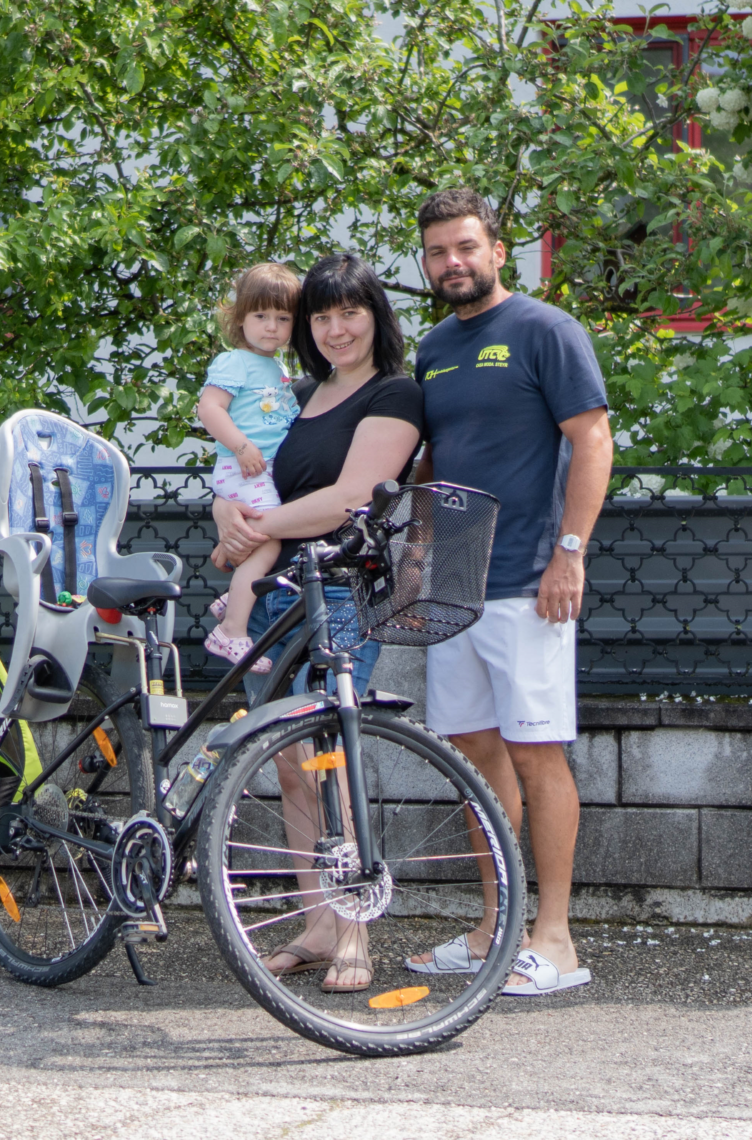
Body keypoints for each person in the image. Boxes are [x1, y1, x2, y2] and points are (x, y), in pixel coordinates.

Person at [404, 187, 613, 996]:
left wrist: (572, 553)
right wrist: (419, 552)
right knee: (474, 756)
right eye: (436, 252)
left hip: (529, 581)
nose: (451, 263)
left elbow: (592, 439)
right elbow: (434, 459)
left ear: (498, 249)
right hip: (455, 582)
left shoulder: (545, 331)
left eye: (465, 247)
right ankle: (496, 927)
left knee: (536, 752)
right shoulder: (431, 348)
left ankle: (554, 940)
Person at [210, 252, 423, 992]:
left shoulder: (396, 394)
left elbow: (353, 495)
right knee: (288, 766)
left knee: (331, 754)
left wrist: (259, 519)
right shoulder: (293, 394)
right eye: (322, 316)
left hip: (338, 592)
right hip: (272, 591)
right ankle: (316, 922)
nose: (335, 329)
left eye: (350, 312)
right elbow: (243, 468)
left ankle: (356, 926)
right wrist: (231, 520)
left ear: (375, 316)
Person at [197, 263, 302, 671]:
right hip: (245, 468)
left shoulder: (277, 367)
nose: (271, 327)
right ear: (240, 318)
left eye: (282, 318)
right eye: (261, 316)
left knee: (261, 539)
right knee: (271, 539)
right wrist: (241, 446)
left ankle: (235, 596)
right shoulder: (234, 361)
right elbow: (209, 408)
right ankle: (232, 630)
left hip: (261, 469)